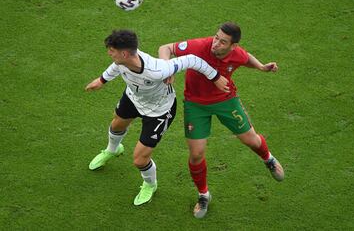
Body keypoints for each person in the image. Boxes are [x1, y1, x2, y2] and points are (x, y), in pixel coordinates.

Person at [85, 29, 229, 206]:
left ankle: (150, 184)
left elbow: (192, 60)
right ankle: (112, 150)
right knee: (116, 125)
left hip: (159, 110)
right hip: (133, 98)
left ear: (124, 53)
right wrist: (101, 80)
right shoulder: (122, 60)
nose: (109, 53)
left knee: (139, 159)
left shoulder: (157, 69)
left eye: (112, 50)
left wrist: (215, 77)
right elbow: (116, 66)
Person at [158, 22, 284, 218]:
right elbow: (165, 48)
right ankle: (203, 195)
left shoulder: (237, 53)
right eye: (216, 37)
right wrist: (168, 69)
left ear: (233, 46)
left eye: (222, 41)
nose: (215, 43)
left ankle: (268, 159)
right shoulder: (199, 46)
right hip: (195, 105)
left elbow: (246, 58)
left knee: (251, 140)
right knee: (196, 154)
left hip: (226, 100)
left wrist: (261, 67)